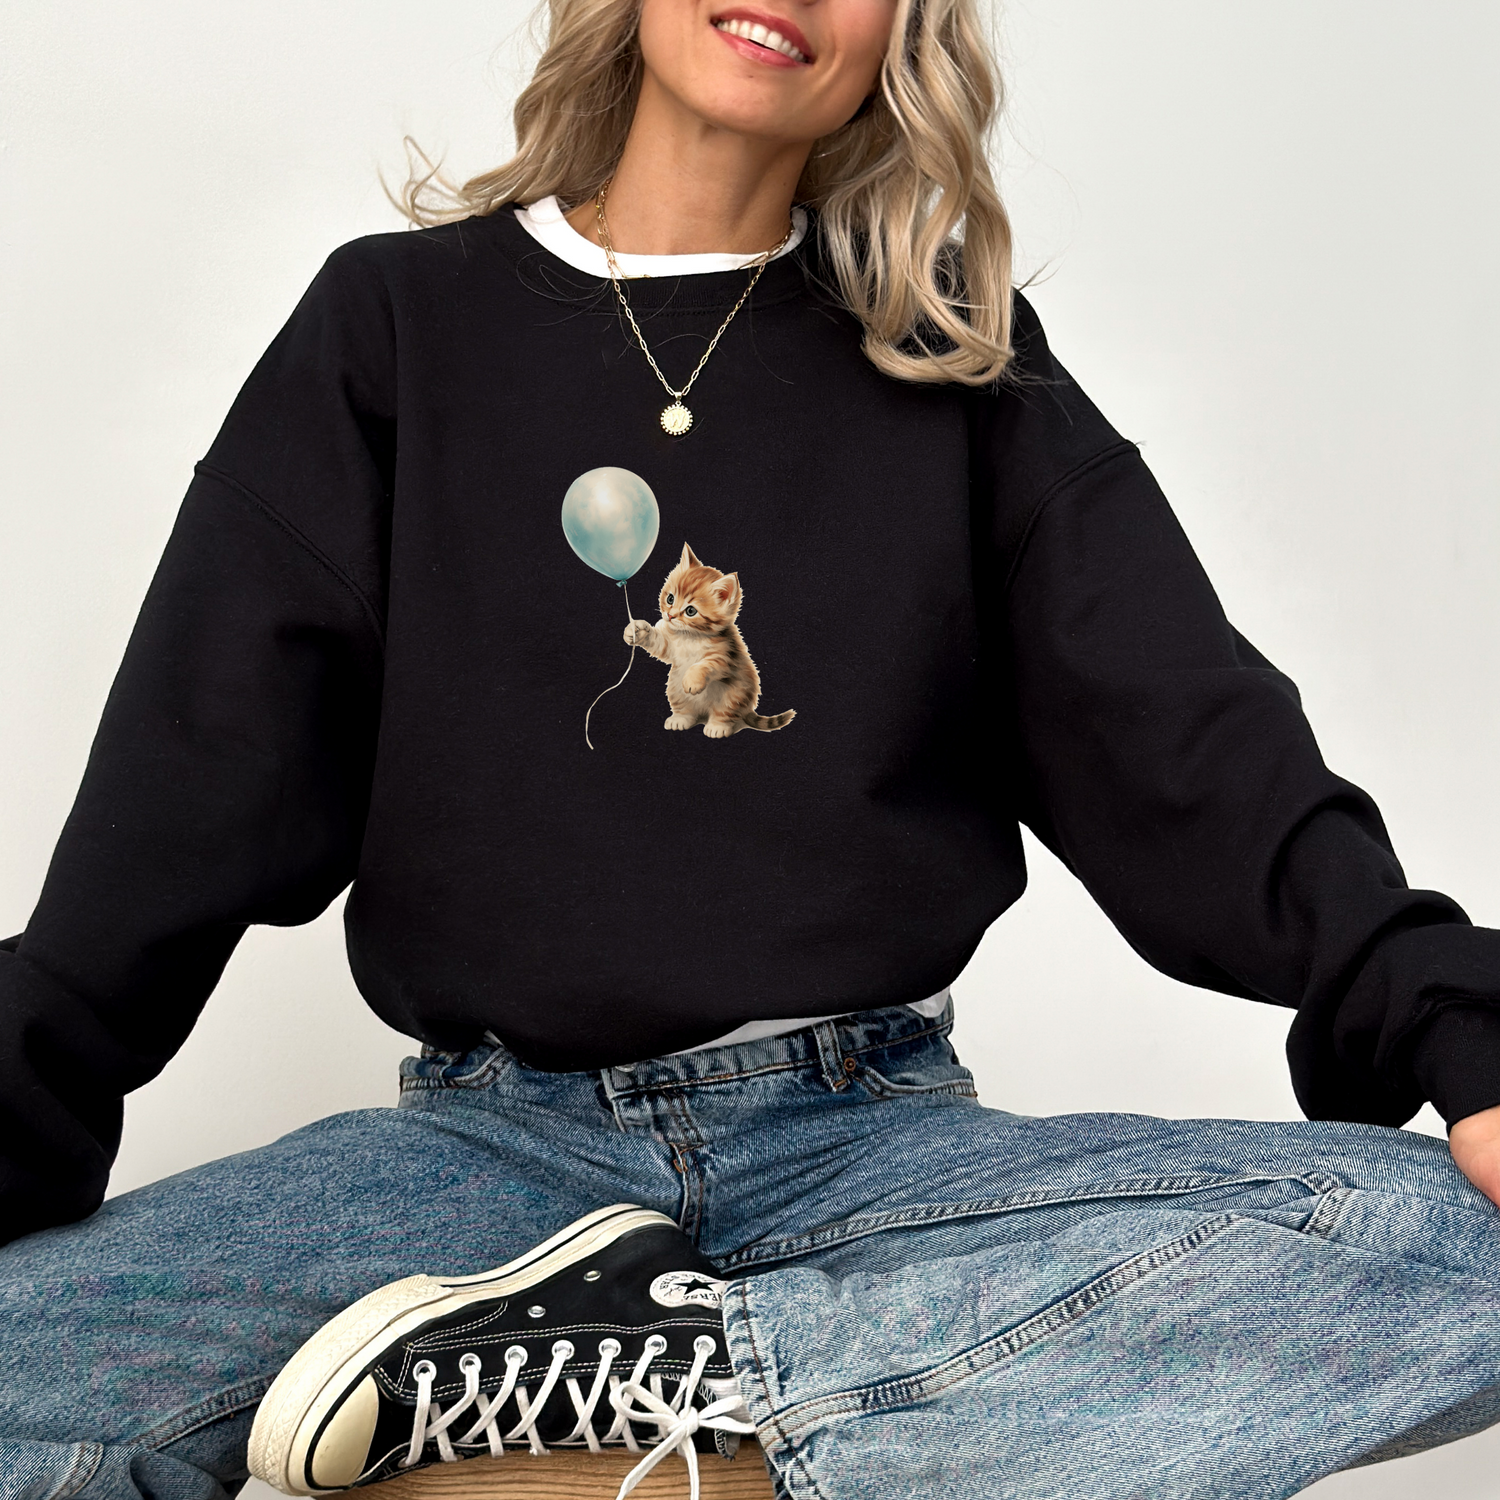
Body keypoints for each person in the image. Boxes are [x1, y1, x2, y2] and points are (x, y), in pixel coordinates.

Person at [2, 0, 1499, 1494]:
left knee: (1442, 1241)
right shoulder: (393, 322)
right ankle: (752, 1404)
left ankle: (683, 1392)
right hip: (481, 1161)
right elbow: (191, 775)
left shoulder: (958, 363)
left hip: (872, 1148)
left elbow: (1191, 743)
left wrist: (1460, 1030)